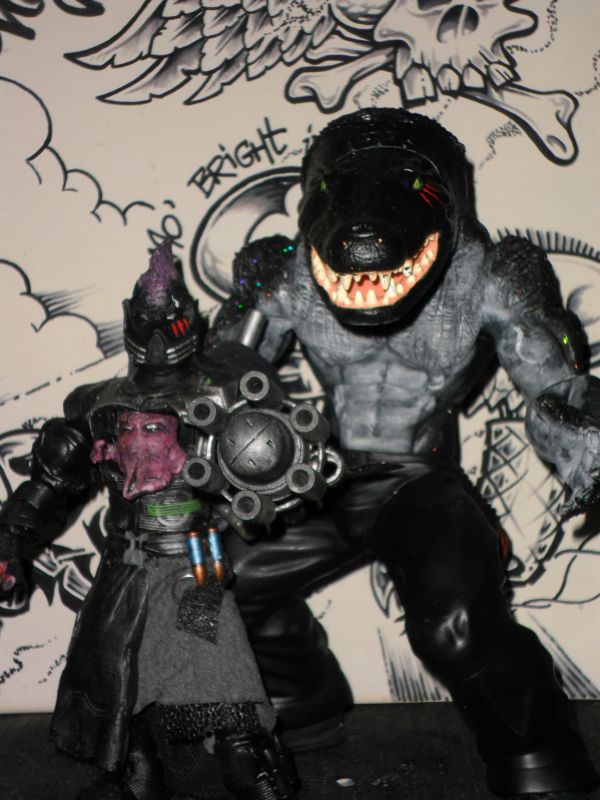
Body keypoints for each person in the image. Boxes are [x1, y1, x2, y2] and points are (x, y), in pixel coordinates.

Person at [208, 107, 600, 798]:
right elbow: (223, 382)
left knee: (455, 628)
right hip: (321, 472)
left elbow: (556, 389)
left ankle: (536, 745)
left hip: (420, 479)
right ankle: (302, 696)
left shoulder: (492, 274)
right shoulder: (284, 272)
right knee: (219, 582)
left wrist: (588, 452)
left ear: (448, 199)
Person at [0, 241, 301, 800]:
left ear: (191, 322)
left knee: (230, 709)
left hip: (195, 569)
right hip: (127, 569)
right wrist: (9, 540)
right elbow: (49, 485)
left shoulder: (223, 396)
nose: (160, 338)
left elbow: (264, 480)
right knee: (125, 702)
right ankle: (138, 778)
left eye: (170, 322)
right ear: (131, 322)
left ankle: (246, 770)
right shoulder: (97, 405)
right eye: (149, 322)